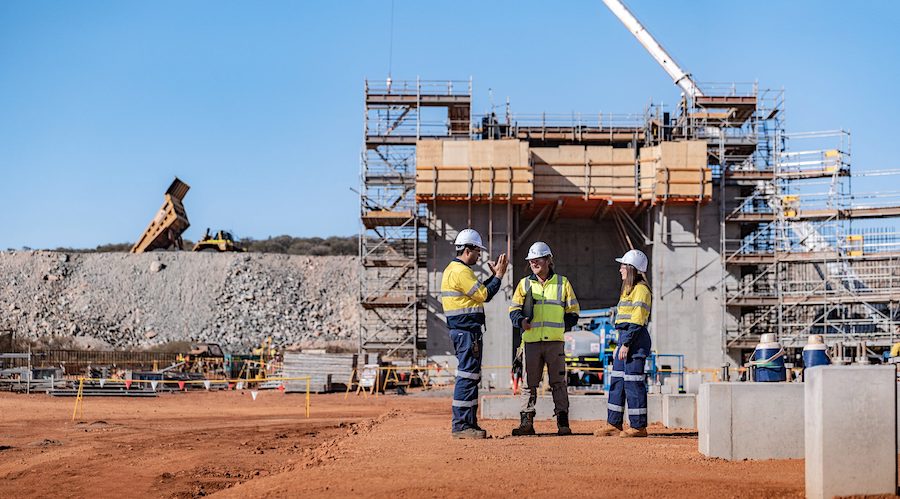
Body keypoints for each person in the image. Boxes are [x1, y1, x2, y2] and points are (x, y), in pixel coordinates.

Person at [441, 228, 508, 439]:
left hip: (465, 332)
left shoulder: (456, 270)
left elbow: (479, 295)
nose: (480, 255)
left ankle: (468, 423)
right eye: (478, 251)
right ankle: (461, 425)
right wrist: (499, 275)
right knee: (467, 377)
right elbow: (485, 295)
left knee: (470, 376)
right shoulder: (461, 272)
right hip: (466, 332)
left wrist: (493, 277)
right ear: (468, 250)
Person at [508, 242, 580, 436]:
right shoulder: (524, 284)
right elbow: (513, 310)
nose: (534, 263)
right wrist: (520, 321)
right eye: (531, 260)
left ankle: (563, 423)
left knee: (558, 383)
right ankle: (526, 423)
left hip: (554, 343)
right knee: (528, 385)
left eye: (538, 259)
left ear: (548, 260)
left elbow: (573, 312)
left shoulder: (563, 283)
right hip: (531, 342)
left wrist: (561, 325)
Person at [596, 249, 652, 438]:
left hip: (635, 342)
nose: (620, 269)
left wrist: (626, 344)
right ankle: (613, 424)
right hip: (625, 341)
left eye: (623, 266)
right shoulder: (627, 291)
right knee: (617, 382)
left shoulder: (641, 290)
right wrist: (620, 345)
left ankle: (638, 426)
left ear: (631, 268)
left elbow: (636, 321)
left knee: (633, 383)